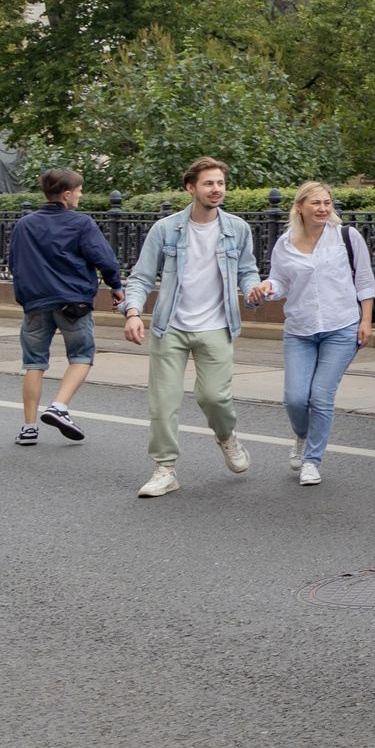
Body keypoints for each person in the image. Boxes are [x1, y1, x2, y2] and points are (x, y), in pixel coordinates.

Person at [119, 157, 258, 498]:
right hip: (170, 326)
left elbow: (247, 271)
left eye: (220, 183)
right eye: (209, 183)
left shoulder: (237, 229)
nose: (216, 189)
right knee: (163, 402)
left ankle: (226, 436)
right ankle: (165, 469)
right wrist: (133, 312)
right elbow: (140, 277)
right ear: (190, 187)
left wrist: (254, 290)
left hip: (217, 325)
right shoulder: (166, 229)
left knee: (214, 397)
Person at [249, 181, 375, 487]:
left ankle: (311, 461)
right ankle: (302, 436)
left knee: (320, 397)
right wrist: (267, 288)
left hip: (341, 327)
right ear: (300, 207)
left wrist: (366, 320)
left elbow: (364, 279)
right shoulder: (285, 243)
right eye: (316, 203)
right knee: (294, 398)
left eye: (327, 202)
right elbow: (281, 281)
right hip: (300, 330)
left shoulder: (346, 236)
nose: (323, 208)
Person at [6, 168, 121, 447]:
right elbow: (104, 258)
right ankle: (59, 406)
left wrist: (26, 297)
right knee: (81, 356)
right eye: (79, 191)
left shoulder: (25, 224)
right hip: (73, 301)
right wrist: (115, 286)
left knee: (34, 363)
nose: (80, 196)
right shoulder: (80, 223)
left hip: (35, 302)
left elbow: (14, 263)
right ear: (67, 194)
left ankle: (29, 428)